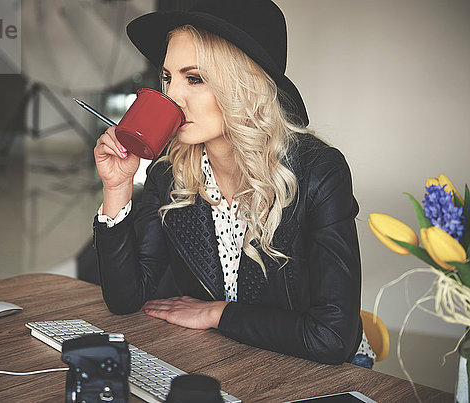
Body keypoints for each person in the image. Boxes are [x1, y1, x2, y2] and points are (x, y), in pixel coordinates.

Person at [92, 0, 375, 367]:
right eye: (167, 78)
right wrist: (117, 188)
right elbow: (126, 299)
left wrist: (216, 314)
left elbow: (332, 338)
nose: (171, 97)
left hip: (319, 372)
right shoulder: (170, 173)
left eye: (193, 78)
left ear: (244, 85)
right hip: (228, 358)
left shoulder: (319, 171)